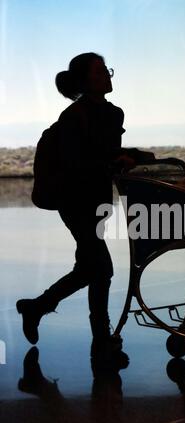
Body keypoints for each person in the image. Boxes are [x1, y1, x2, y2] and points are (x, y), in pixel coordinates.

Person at [16, 52, 154, 363]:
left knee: (89, 268)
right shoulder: (73, 117)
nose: (107, 74)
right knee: (101, 268)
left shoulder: (113, 113)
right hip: (74, 200)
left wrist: (142, 158)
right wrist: (113, 161)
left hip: (97, 201)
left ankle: (36, 307)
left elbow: (110, 153)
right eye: (100, 70)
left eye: (107, 69)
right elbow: (76, 163)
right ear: (85, 80)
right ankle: (101, 343)